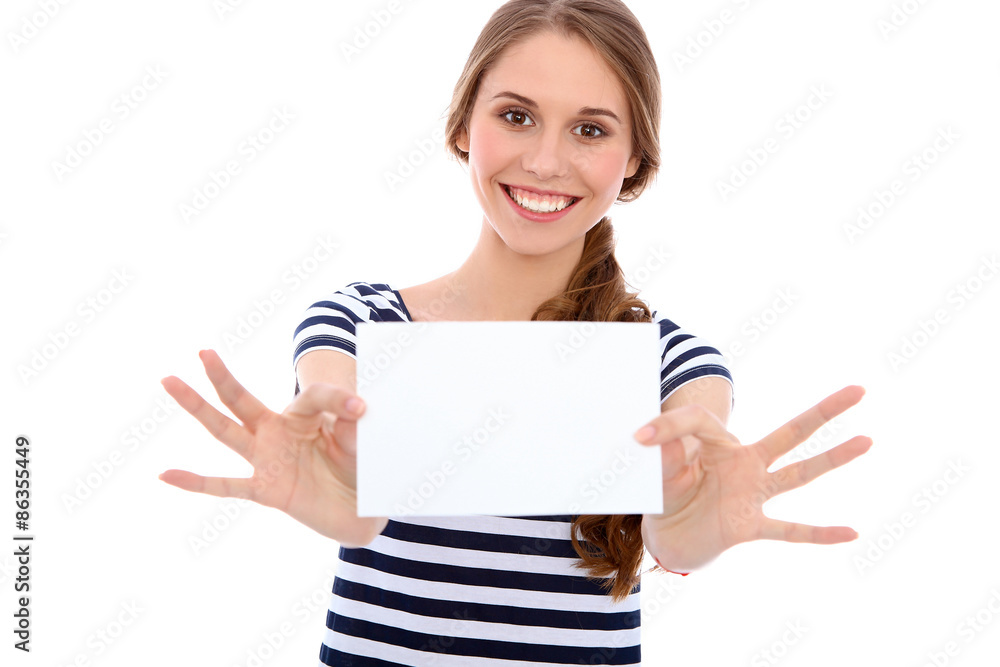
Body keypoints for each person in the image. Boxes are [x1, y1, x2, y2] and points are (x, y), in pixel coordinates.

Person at [158, 0, 872, 663]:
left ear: (634, 161)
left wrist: (684, 531)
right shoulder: (362, 321)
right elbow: (329, 396)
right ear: (463, 126)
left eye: (590, 129)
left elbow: (692, 464)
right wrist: (344, 486)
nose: (545, 162)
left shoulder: (665, 359)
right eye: (517, 115)